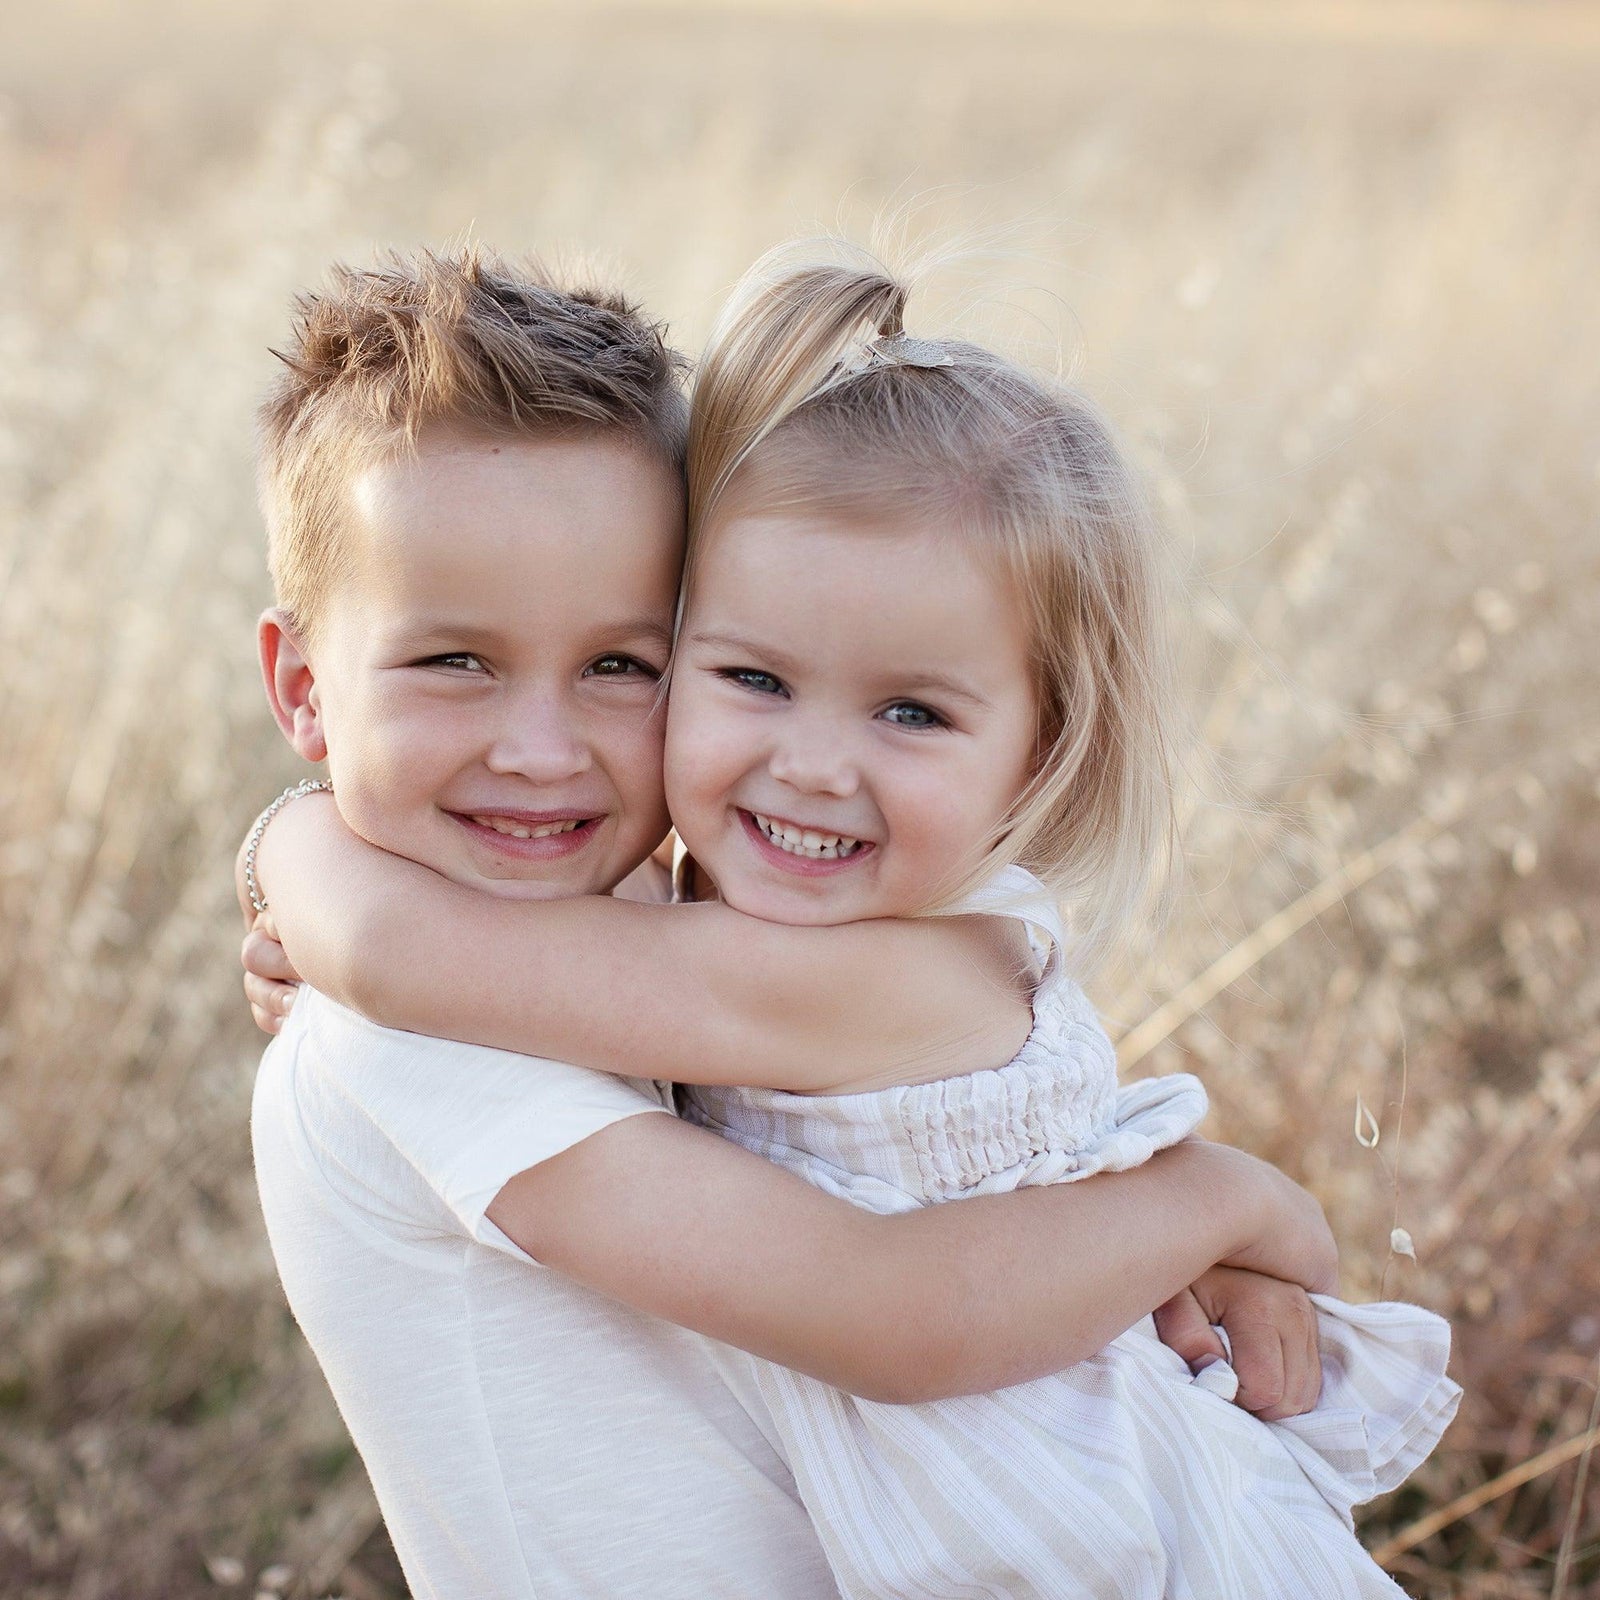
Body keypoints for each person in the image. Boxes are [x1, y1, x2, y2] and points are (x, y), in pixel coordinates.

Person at [241, 246, 1359, 1600]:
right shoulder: (458, 1024)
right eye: (454, 659)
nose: (541, 751)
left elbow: (899, 1307)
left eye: (619, 665)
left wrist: (293, 841)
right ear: (301, 683)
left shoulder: (633, 963)